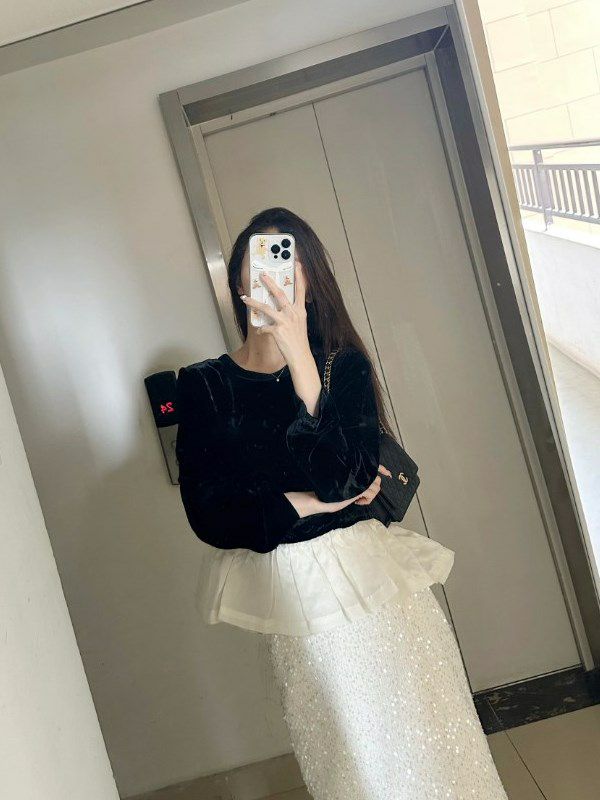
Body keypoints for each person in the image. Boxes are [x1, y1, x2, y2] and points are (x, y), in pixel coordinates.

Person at [175, 207, 509, 799]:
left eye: (289, 262)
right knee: (352, 765)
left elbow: (346, 479)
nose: (274, 276)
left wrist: (301, 361)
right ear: (237, 278)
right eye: (260, 261)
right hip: (295, 604)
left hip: (376, 589)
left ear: (310, 280)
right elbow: (209, 514)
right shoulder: (204, 384)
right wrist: (304, 504)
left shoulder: (340, 365)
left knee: (433, 745)